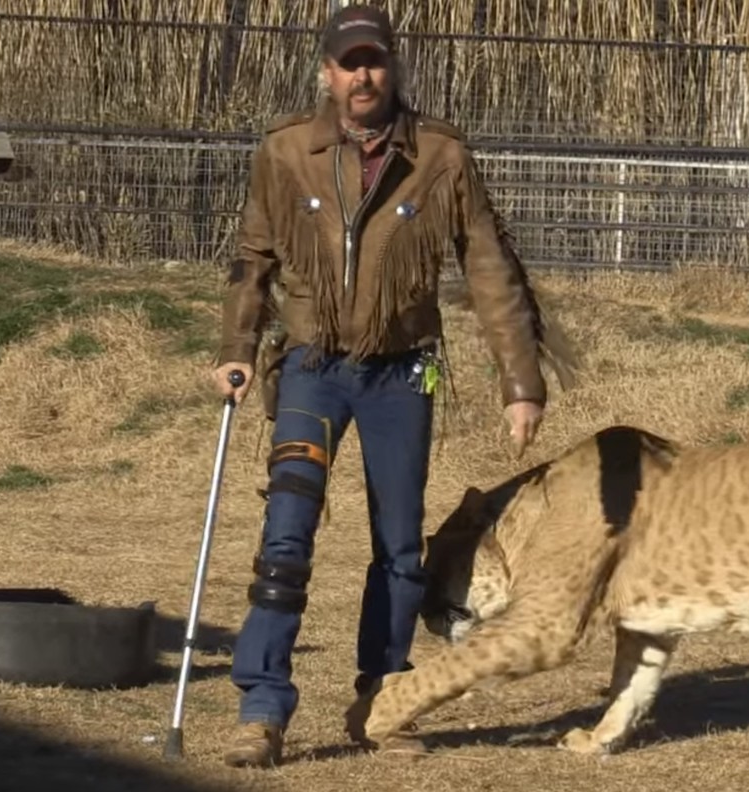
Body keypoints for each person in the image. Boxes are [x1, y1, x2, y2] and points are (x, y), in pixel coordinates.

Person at [210, 3, 577, 769]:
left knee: (401, 548)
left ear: (393, 69)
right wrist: (237, 346)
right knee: (287, 534)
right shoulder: (285, 152)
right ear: (327, 73)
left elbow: (489, 268)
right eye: (350, 63)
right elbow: (254, 257)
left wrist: (521, 381)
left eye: (375, 61)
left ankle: (385, 698)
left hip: (402, 375)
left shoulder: (440, 155)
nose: (363, 76)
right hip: (311, 368)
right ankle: (262, 707)